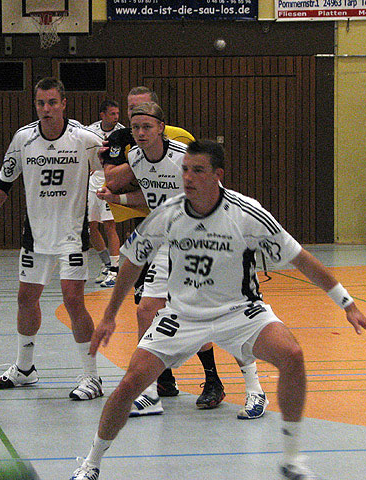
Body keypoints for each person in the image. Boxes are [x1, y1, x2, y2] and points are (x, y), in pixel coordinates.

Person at [71, 140, 366, 480]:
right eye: (185, 170)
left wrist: (347, 303)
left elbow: (300, 258)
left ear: (218, 175)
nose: (188, 177)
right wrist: (110, 315)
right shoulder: (169, 213)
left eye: (197, 170)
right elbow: (132, 259)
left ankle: (292, 460)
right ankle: (91, 463)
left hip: (240, 312)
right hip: (182, 316)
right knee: (130, 384)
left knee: (292, 355)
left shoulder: (246, 213)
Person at [100, 97, 268, 418]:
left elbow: (217, 193)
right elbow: (150, 196)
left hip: (205, 241)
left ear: (161, 128)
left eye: (147, 127)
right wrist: (118, 196)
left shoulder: (183, 159)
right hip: (168, 243)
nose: (141, 133)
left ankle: (254, 389)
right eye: (135, 127)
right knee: (146, 310)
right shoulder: (136, 158)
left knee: (228, 317)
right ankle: (149, 393)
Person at [0, 78, 105, 400]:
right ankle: (24, 368)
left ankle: (92, 376)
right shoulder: (24, 139)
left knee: (73, 300)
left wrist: (115, 193)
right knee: (25, 298)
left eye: (52, 102)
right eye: (40, 103)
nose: (46, 109)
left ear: (64, 104)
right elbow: (3, 182)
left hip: (72, 236)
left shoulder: (85, 139)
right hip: (35, 236)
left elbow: (113, 169)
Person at [85, 100, 125, 288]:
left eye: (117, 113)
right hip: (93, 182)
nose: (116, 117)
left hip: (110, 182)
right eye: (112, 113)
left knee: (109, 225)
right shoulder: (90, 131)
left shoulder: (122, 132)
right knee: (90, 226)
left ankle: (115, 270)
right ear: (102, 114)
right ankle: (106, 264)